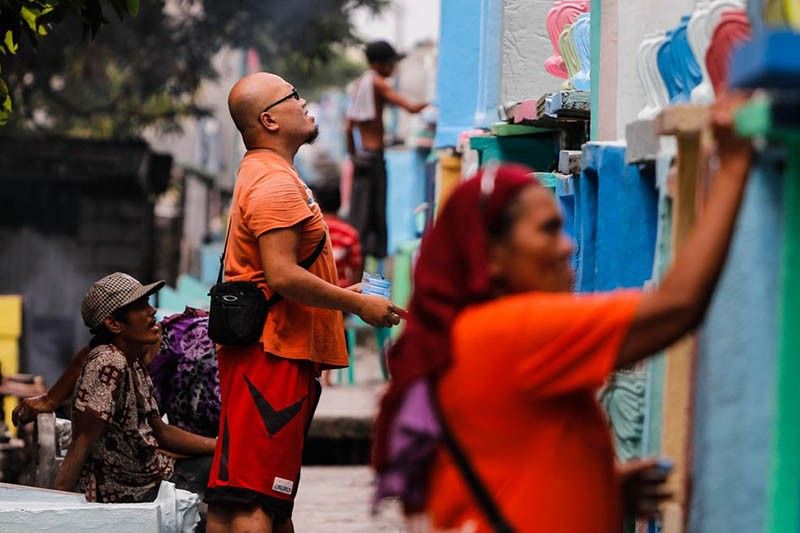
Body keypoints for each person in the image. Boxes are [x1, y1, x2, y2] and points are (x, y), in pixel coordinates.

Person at [373, 94, 753, 532]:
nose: (566, 245)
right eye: (548, 231)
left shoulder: (469, 335)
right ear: (491, 255)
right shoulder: (513, 331)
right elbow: (677, 306)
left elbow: (509, 459)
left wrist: (599, 488)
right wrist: (734, 168)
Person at [208, 72, 404, 533]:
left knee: (244, 495)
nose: (303, 101)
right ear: (269, 119)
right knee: (258, 497)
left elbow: (281, 273)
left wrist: (342, 295)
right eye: (292, 96)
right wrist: (355, 307)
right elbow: (281, 275)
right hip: (272, 355)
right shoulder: (275, 184)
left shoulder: (263, 172)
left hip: (266, 352)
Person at [55, 273, 216, 504]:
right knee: (230, 475)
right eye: (141, 306)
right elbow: (82, 441)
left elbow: (160, 431)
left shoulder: (132, 361)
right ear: (113, 323)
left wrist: (220, 445)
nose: (151, 312)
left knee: (231, 466)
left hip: (154, 474)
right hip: (130, 490)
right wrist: (58, 506)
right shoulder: (108, 362)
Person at [345, 40, 428, 259]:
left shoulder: (361, 85)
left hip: (363, 157)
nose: (394, 68)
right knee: (375, 218)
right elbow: (410, 108)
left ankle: (359, 273)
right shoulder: (378, 83)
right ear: (379, 64)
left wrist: (354, 157)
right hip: (374, 159)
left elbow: (348, 127)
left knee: (361, 219)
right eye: (391, 63)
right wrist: (433, 104)